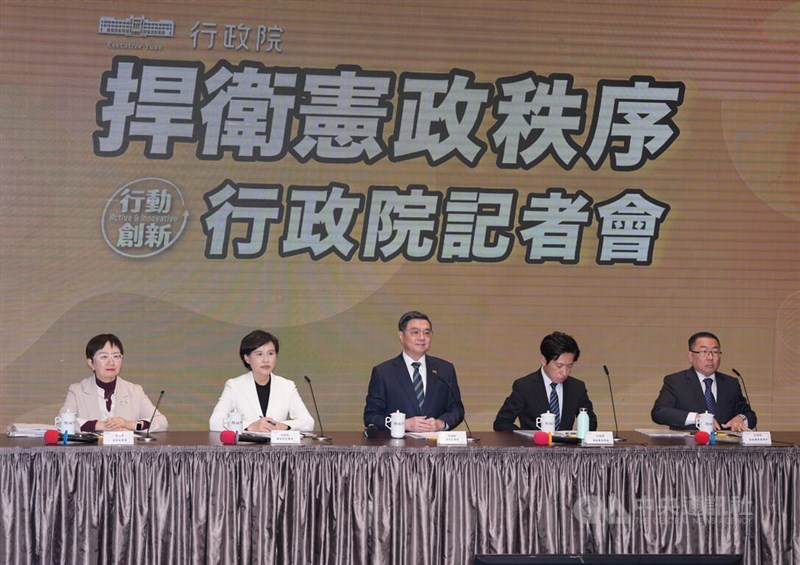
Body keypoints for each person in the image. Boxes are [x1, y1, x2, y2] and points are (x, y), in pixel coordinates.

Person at [363, 311, 464, 432]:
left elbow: (457, 410)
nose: (422, 337)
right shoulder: (383, 372)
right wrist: (402, 424)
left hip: (436, 442)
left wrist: (440, 424)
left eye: (426, 333)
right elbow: (371, 416)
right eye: (415, 332)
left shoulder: (445, 369)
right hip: (398, 443)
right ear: (401, 336)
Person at [209, 330, 314, 432]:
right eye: (259, 354)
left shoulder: (287, 386)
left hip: (277, 444)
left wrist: (283, 426)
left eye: (271, 353)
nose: (266, 360)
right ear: (247, 358)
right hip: (247, 444)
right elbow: (215, 422)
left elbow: (308, 422)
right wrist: (250, 426)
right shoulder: (234, 386)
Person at [60, 333, 168, 432]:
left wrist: (129, 424)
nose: (111, 362)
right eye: (104, 357)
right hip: (92, 447)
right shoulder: (77, 390)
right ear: (91, 363)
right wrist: (98, 425)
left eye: (116, 356)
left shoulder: (135, 391)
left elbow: (161, 422)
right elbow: (62, 422)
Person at [651, 331, 756, 431]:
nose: (710, 357)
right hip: (688, 442)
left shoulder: (730, 383)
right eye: (704, 352)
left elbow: (750, 415)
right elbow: (659, 412)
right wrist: (696, 418)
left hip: (724, 443)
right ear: (690, 356)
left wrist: (741, 418)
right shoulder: (676, 381)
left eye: (715, 352)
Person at [493, 331, 597, 432]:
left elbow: (591, 422)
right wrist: (527, 436)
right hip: (532, 443)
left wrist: (576, 436)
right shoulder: (524, 386)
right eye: (559, 366)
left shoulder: (577, 388)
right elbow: (501, 423)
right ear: (544, 360)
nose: (564, 372)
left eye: (569, 366)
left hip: (566, 444)